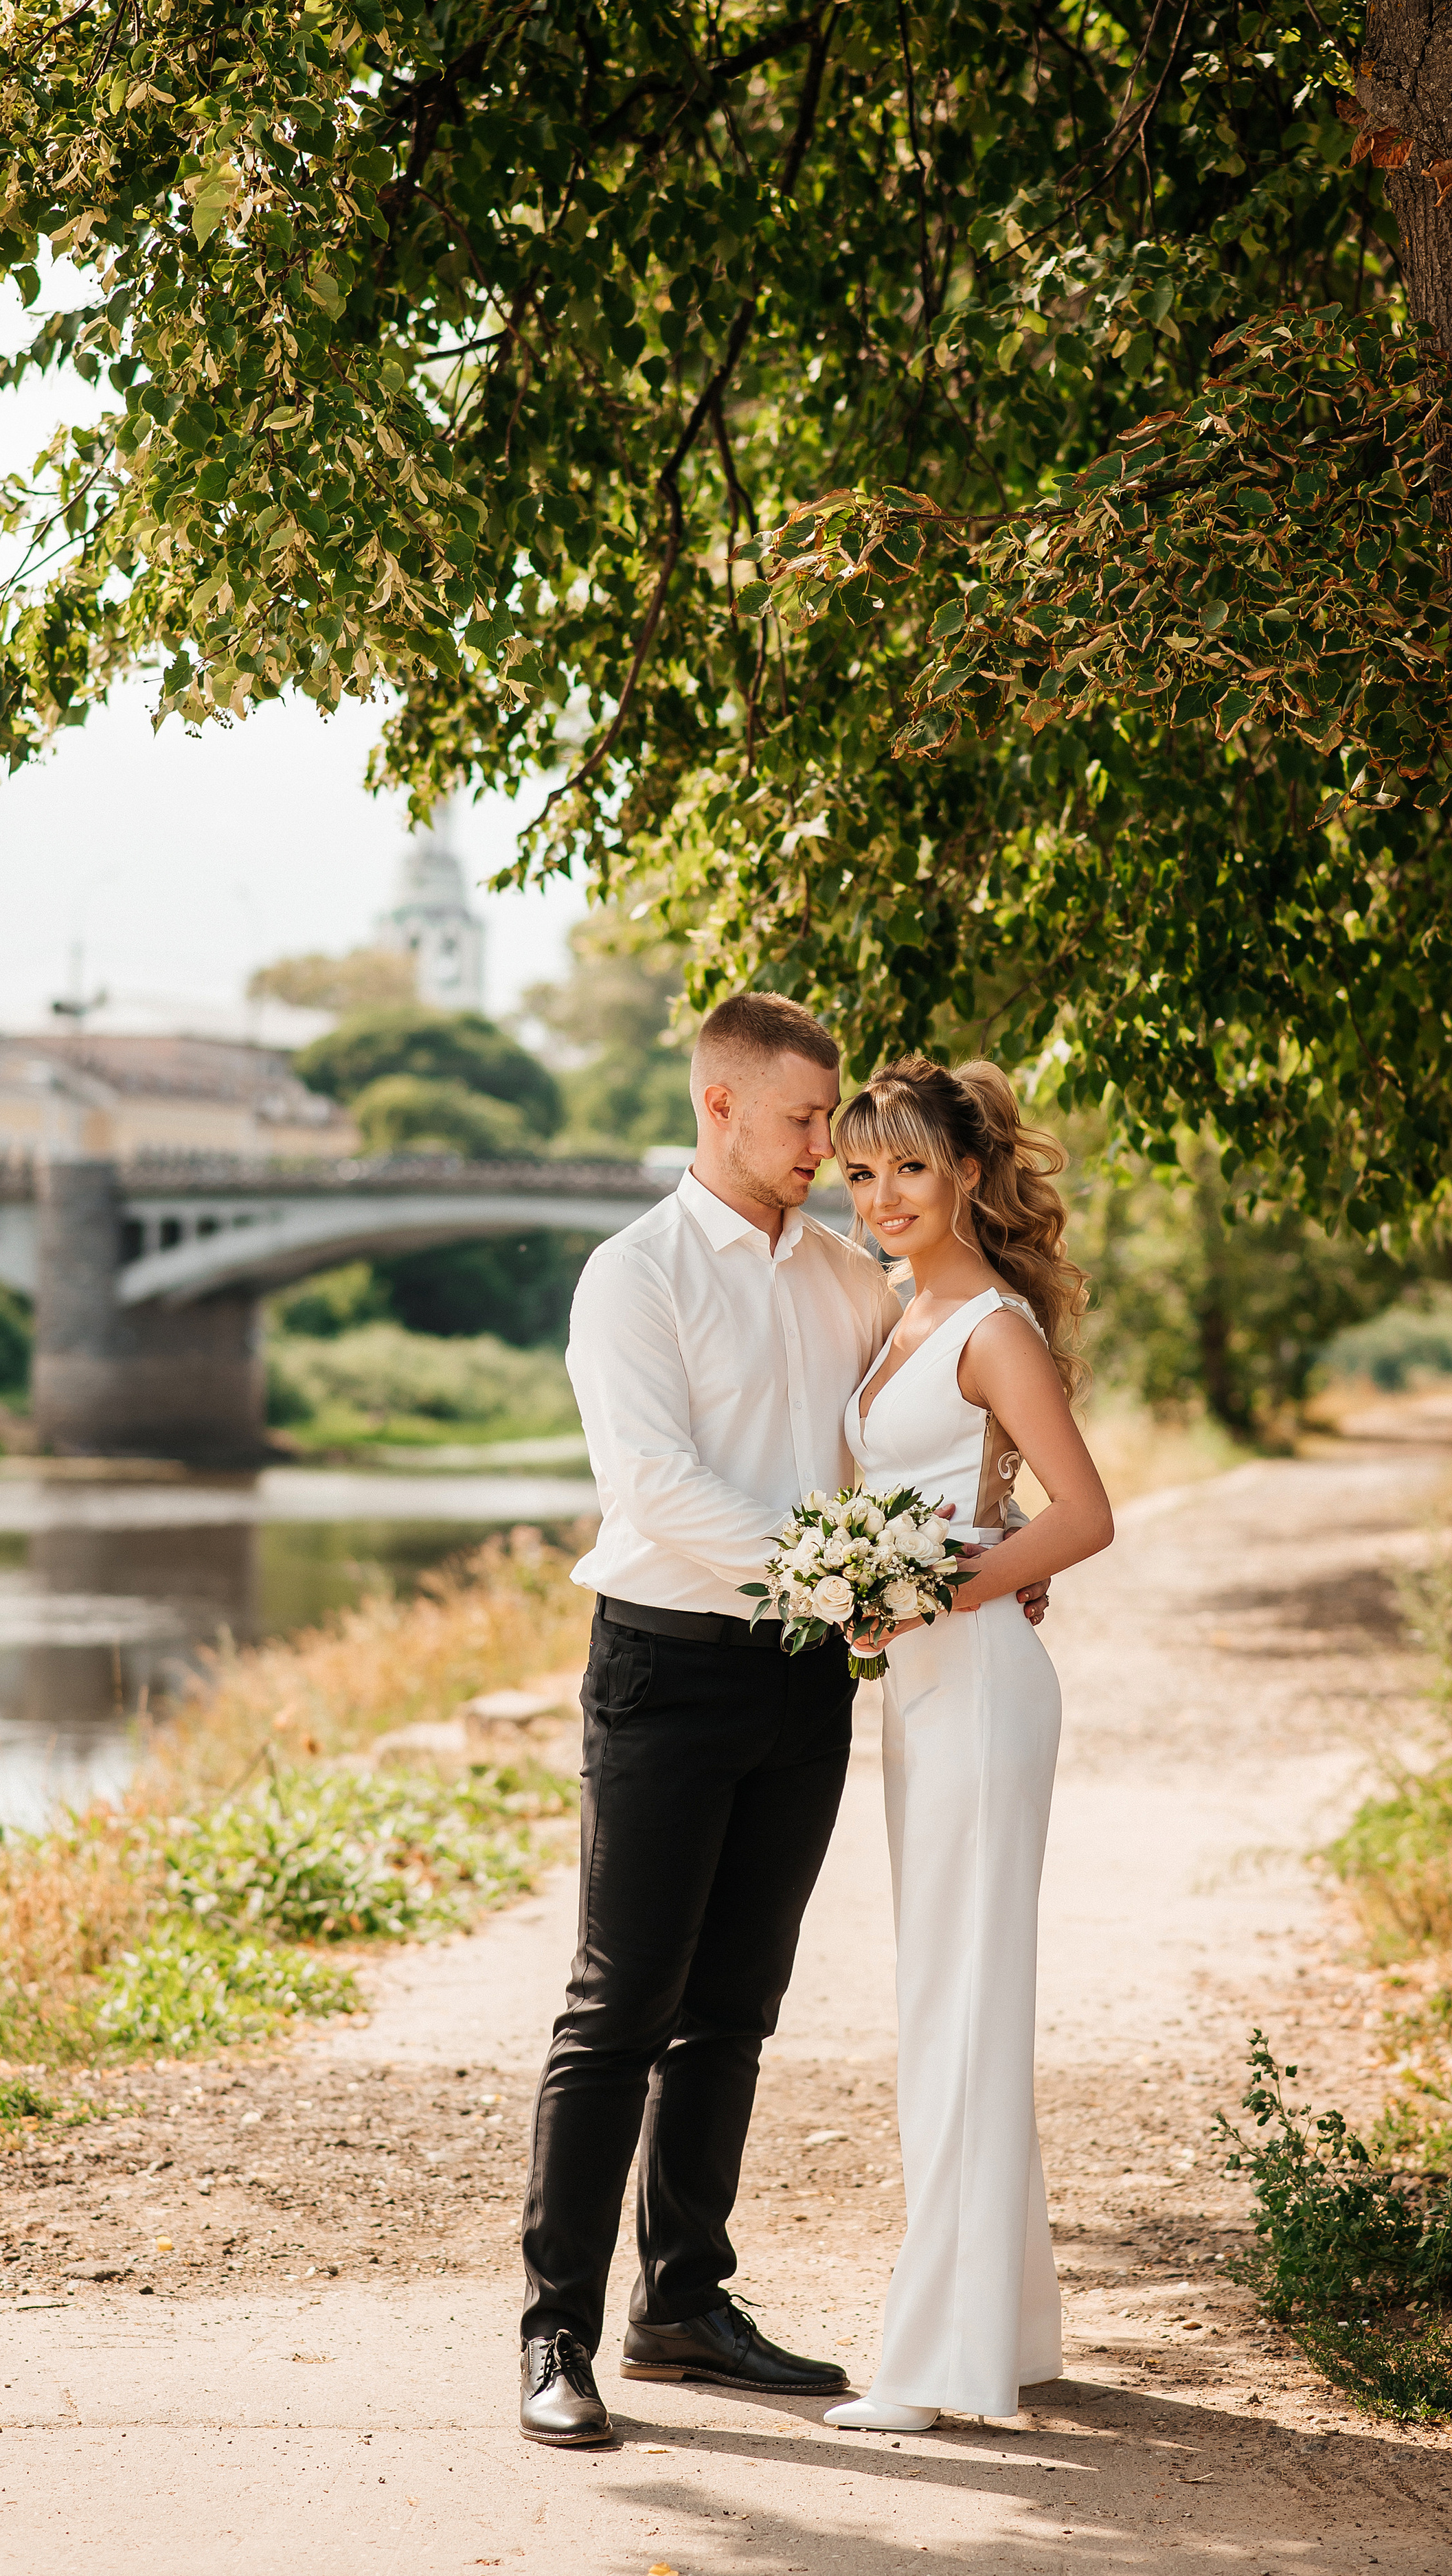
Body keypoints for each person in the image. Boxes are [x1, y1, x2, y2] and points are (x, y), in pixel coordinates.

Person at [517, 993, 1049, 2447]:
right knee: (616, 2004)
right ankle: (555, 2333)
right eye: (807, 1122)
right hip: (665, 1665)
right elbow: (653, 1487)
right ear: (720, 1109)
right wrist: (848, 1568)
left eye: (837, 1123)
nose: (831, 1148)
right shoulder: (630, 1277)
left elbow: (940, 1414)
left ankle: (682, 2303)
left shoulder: (846, 1277)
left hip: (810, 1674)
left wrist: (980, 1551)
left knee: (734, 2005)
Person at [823, 1055, 1113, 2433]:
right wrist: (880, 1597)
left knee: (957, 2007)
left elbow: (1082, 1514)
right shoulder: (896, 1311)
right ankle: (1005, 2331)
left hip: (982, 1686)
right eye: (861, 1170)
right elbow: (961, 1505)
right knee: (945, 1999)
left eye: (909, 1168)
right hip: (918, 1690)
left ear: (966, 1173)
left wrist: (931, 1587)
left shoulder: (987, 1325)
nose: (882, 1195)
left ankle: (937, 2366)